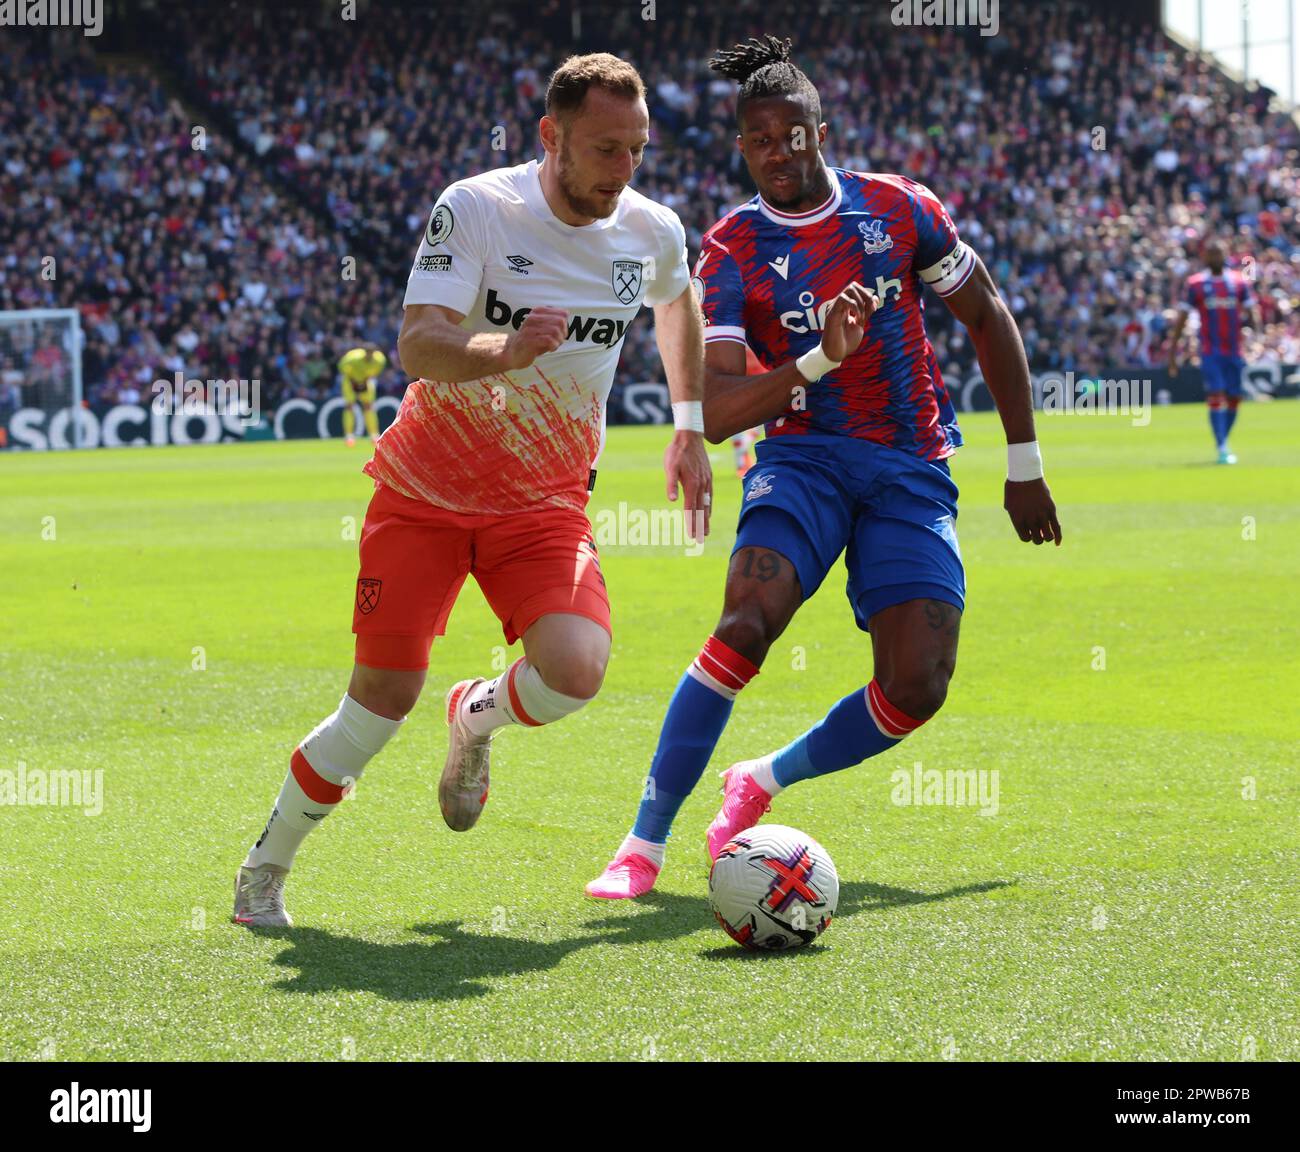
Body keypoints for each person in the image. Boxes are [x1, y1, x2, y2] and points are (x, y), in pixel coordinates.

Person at [235, 52, 712, 927]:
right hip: (424, 490)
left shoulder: (651, 230)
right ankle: (266, 867)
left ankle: (476, 719)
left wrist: (689, 423)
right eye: (605, 149)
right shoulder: (479, 207)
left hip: (544, 501)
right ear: (551, 136)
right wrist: (505, 351)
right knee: (377, 705)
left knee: (575, 672)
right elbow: (418, 344)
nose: (624, 170)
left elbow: (678, 305)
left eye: (636, 150)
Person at [587, 36, 1061, 899]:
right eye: (760, 139)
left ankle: (762, 778)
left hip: (909, 463)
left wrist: (1023, 463)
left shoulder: (900, 210)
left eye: (793, 134)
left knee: (917, 686)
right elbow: (720, 408)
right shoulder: (730, 248)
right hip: (800, 460)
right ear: (743, 147)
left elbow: (987, 316)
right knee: (745, 622)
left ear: (821, 130)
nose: (779, 152)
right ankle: (641, 845)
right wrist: (815, 360)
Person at [1168, 239, 1259, 464]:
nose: (1216, 257)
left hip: (1234, 351)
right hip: (1210, 351)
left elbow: (1252, 311)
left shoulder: (1239, 282)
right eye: (1211, 253)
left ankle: (1223, 442)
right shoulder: (1196, 284)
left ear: (1226, 254)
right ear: (1205, 257)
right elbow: (1182, 318)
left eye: (1219, 253)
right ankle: (1222, 447)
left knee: (1234, 397)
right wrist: (1172, 352)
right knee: (1216, 394)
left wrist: (1256, 336)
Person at [337, 343, 387, 446]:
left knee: (369, 406)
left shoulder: (379, 359)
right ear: (364, 352)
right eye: (368, 354)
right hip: (350, 381)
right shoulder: (352, 358)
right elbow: (341, 368)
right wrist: (354, 381)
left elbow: (375, 372)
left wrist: (365, 380)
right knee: (349, 406)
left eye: (371, 354)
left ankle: (374, 435)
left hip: (365, 381)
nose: (369, 356)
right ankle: (349, 435)